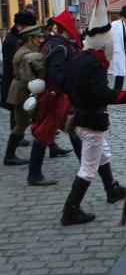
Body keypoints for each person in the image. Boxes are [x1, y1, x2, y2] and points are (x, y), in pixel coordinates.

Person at [60, 0, 126, 226]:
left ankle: (112, 189)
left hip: (80, 117)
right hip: (90, 120)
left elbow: (68, 85)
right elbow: (102, 94)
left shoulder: (79, 57)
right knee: (88, 168)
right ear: (104, 43)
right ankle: (71, 210)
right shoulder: (95, 63)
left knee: (103, 154)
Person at [26, 10, 82, 185]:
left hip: (57, 95)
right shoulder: (60, 46)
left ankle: (87, 165)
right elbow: (55, 74)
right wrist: (70, 88)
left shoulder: (57, 43)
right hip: (55, 97)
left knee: (73, 128)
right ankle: (34, 175)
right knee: (43, 134)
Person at [4, 25, 46, 165]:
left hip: (24, 89)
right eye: (38, 37)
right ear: (30, 38)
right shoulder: (25, 54)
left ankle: (52, 147)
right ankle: (9, 156)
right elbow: (28, 77)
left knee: (40, 120)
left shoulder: (28, 50)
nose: (40, 40)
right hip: (22, 91)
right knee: (21, 124)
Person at [2, 11, 37, 148]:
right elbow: (11, 65)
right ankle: (17, 137)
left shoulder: (18, 38)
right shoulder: (11, 41)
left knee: (22, 111)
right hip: (14, 81)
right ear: (21, 26)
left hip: (21, 81)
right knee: (15, 110)